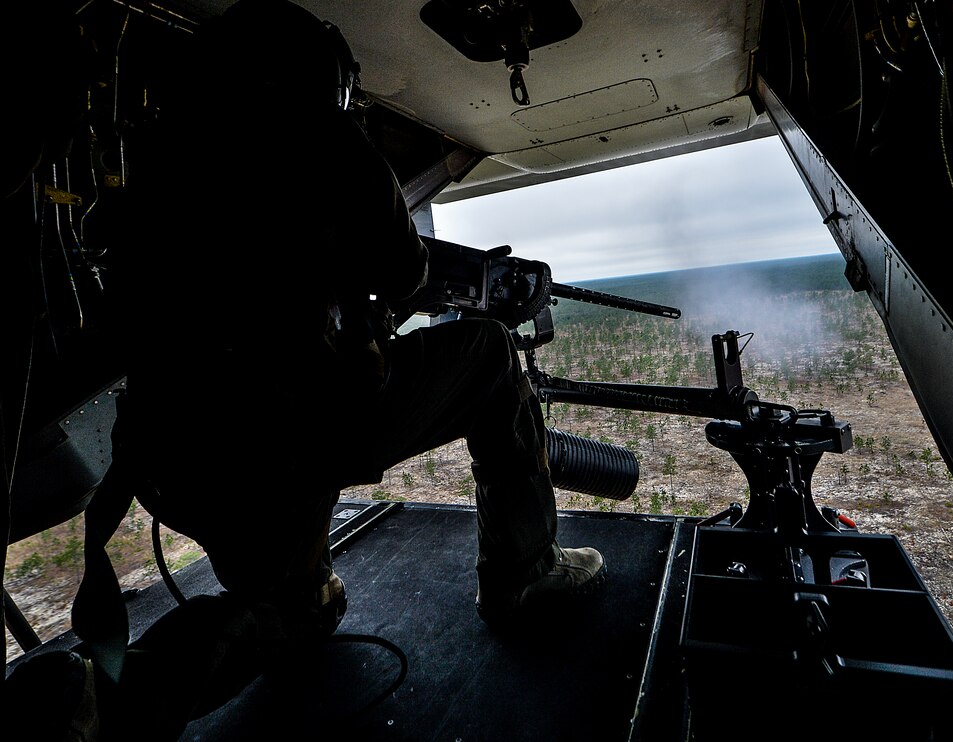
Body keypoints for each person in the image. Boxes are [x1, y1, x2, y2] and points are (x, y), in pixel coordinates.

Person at [118, 0, 605, 651]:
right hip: (289, 438)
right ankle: (525, 572)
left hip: (175, 462)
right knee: (486, 353)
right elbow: (403, 274)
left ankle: (168, 670)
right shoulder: (324, 136)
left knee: (295, 620)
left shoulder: (153, 158)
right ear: (319, 75)